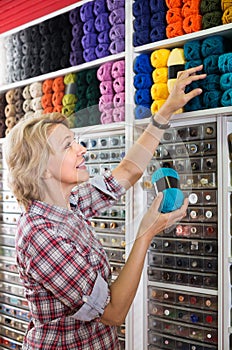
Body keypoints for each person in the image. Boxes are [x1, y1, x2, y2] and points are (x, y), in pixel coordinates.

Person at [4, 65, 206, 349]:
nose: (82, 149)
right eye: (68, 146)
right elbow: (113, 312)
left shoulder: (69, 203)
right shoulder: (39, 235)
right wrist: (145, 234)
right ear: (42, 169)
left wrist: (165, 111)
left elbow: (128, 172)